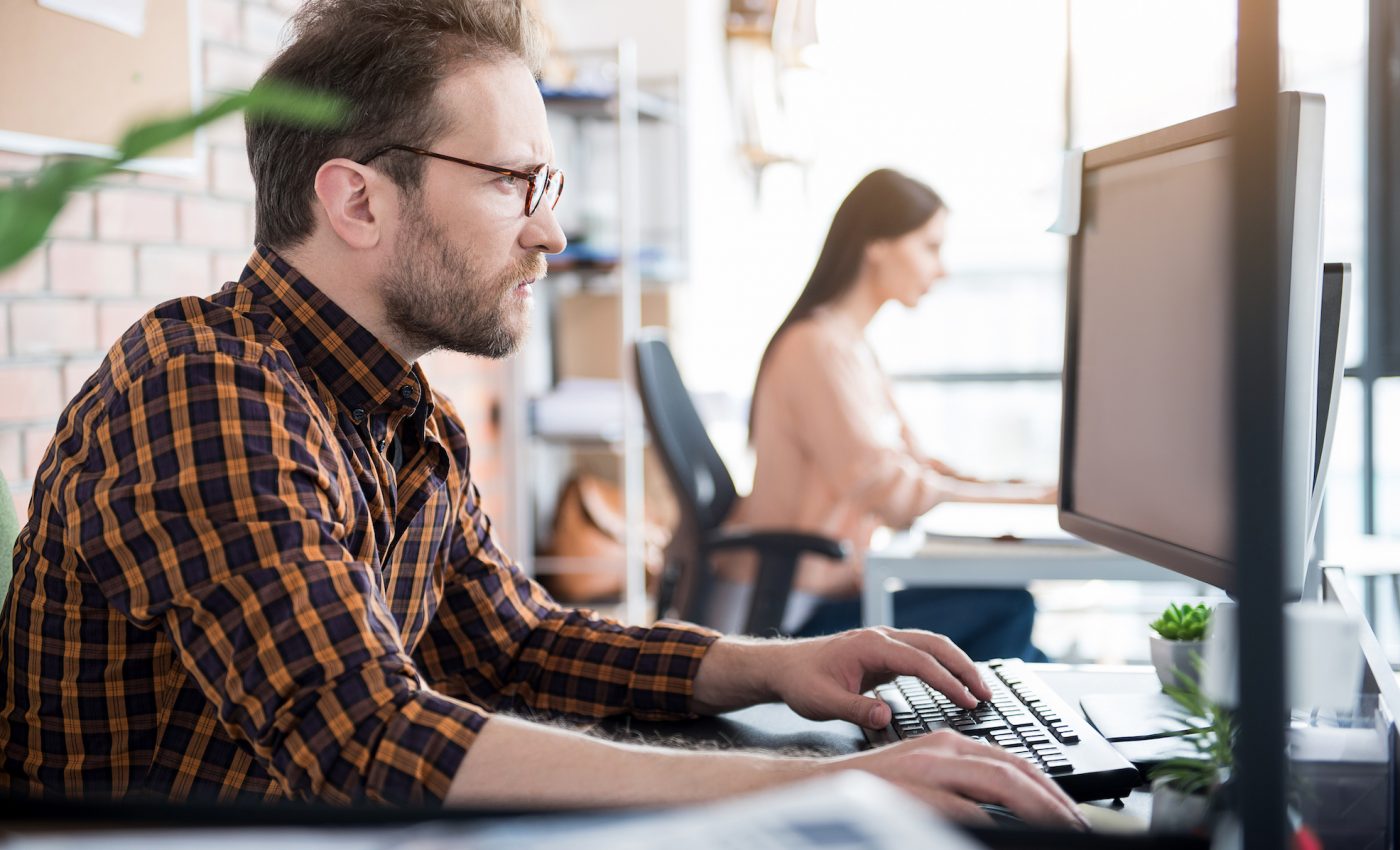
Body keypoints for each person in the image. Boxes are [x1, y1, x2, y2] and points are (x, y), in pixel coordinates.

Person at [0, 1, 1082, 830]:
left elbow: (512, 646)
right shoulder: (201, 386)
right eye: (516, 181)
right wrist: (830, 783)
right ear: (358, 200)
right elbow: (368, 737)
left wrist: (767, 668)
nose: (551, 235)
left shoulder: (402, 413)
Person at [730, 169, 1055, 660]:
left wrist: (1015, 491)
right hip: (799, 611)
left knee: (1024, 648)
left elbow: (915, 466)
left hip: (833, 589)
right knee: (1007, 609)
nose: (941, 269)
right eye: (930, 247)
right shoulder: (816, 348)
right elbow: (887, 489)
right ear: (877, 244)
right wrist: (1026, 503)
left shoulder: (850, 347)